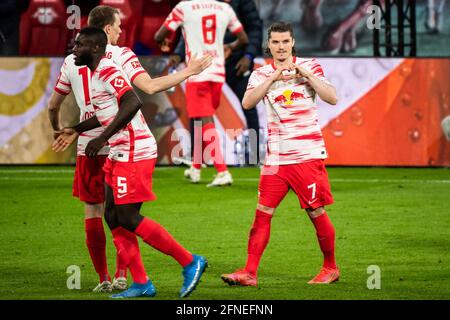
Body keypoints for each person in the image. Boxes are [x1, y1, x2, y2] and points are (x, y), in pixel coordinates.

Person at [48, 5, 211, 293]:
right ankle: (139, 281)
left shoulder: (109, 64)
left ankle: (188, 262)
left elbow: (134, 100)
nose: (74, 50)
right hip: (114, 148)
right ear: (108, 30)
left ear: (97, 42)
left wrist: (98, 138)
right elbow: (111, 109)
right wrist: (77, 129)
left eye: (79, 45)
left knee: (120, 215)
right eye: (119, 25)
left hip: (129, 147)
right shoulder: (98, 64)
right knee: (112, 215)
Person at [221, 22, 339, 287]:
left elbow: (332, 97)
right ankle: (249, 273)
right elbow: (248, 103)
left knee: (315, 212)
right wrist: (273, 77)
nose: (281, 46)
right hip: (276, 160)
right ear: (269, 45)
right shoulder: (261, 74)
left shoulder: (310, 66)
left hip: (306, 156)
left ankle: (330, 268)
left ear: (293, 42)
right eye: (275, 42)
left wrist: (306, 74)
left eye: (285, 41)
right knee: (262, 213)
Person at [154, 0, 248, 187]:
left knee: (205, 120)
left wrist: (164, 41)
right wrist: (230, 47)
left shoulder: (184, 7)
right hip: (218, 73)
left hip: (197, 72)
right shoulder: (224, 8)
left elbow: (159, 35)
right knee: (200, 120)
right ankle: (196, 168)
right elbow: (244, 39)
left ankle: (222, 171)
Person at [170, 0, 263, 165]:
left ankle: (255, 155)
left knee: (248, 104)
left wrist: (248, 56)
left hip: (236, 61)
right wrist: (178, 53)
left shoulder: (242, 3)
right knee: (198, 109)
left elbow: (255, 28)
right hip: (206, 62)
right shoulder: (201, 3)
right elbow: (191, 30)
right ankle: (197, 158)